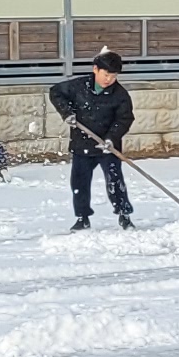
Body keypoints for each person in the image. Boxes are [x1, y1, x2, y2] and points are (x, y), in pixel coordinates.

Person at [62, 49, 137, 229]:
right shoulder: (79, 86)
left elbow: (124, 119)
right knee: (79, 183)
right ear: (95, 69)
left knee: (115, 180)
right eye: (106, 74)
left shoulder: (120, 95)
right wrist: (67, 113)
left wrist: (111, 138)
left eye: (113, 76)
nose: (109, 79)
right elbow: (56, 93)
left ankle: (124, 215)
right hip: (82, 144)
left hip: (107, 147)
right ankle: (82, 218)